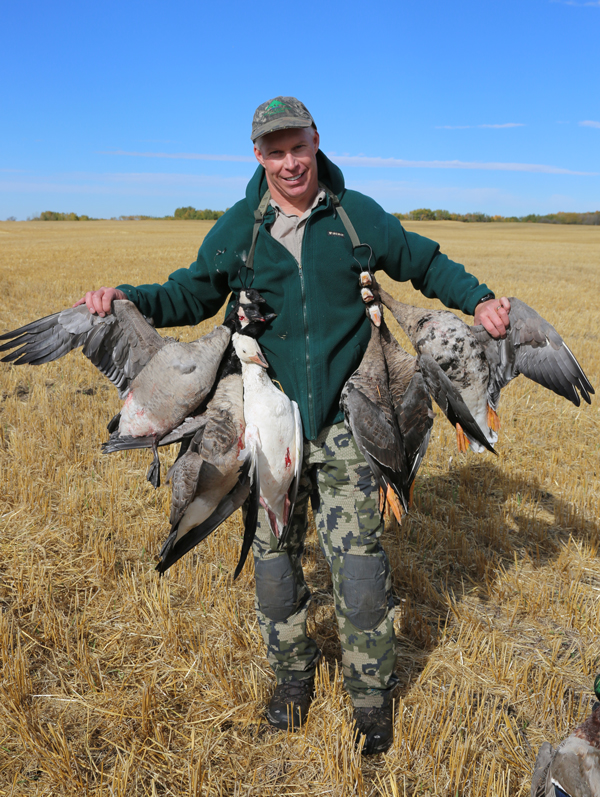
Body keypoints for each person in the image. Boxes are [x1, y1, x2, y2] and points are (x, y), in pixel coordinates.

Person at [75, 96, 510, 755]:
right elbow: (189, 291)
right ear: (258, 156)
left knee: (359, 570)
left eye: (296, 146)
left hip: (346, 423)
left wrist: (479, 298)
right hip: (268, 424)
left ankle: (369, 700)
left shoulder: (354, 217)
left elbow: (424, 260)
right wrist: (127, 299)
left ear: (315, 141)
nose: (288, 162)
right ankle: (293, 682)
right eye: (273, 151)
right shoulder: (239, 229)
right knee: (275, 562)